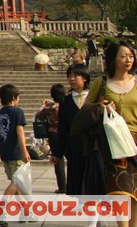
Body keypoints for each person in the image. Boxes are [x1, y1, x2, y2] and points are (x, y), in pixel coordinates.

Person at [86, 40, 137, 227]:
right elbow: (86, 109)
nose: (128, 60)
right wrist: (101, 107)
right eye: (123, 56)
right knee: (120, 189)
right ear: (113, 58)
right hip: (113, 142)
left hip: (136, 140)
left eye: (131, 56)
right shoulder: (102, 83)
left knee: (134, 192)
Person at [0, 84, 31, 227]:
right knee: (17, 182)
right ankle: (1, 209)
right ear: (14, 98)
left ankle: (25, 211)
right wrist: (24, 151)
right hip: (16, 152)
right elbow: (20, 132)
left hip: (5, 153)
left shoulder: (0, 113)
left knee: (16, 183)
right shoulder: (17, 112)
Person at [53, 64, 91, 197]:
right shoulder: (66, 100)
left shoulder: (94, 97)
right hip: (74, 147)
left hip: (93, 145)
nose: (72, 79)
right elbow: (62, 127)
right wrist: (57, 153)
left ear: (85, 78)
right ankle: (87, 209)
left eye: (75, 75)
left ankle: (96, 211)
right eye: (69, 76)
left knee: (92, 180)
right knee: (78, 180)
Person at [36, 83, 66, 193]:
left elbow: (39, 115)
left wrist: (43, 105)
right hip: (67, 133)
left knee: (57, 159)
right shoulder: (67, 104)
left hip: (54, 134)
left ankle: (62, 186)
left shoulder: (50, 107)